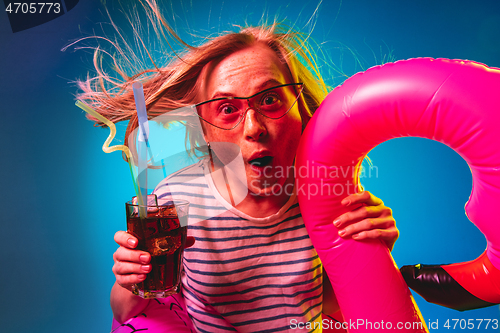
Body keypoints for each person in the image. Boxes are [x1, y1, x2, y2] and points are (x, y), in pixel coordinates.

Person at [78, 3, 399, 331]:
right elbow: (123, 311)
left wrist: (371, 258)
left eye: (270, 99)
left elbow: (338, 312)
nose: (253, 127)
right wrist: (131, 278)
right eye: (228, 108)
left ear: (301, 110)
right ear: (205, 130)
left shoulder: (326, 198)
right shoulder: (174, 201)